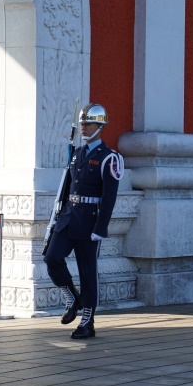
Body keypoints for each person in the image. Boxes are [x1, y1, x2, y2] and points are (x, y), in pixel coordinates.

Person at [43, 103, 123, 339]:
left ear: (100, 126)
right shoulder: (77, 154)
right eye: (82, 124)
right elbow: (67, 189)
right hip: (69, 217)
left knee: (88, 271)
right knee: (52, 257)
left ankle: (87, 319)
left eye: (88, 124)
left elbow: (109, 197)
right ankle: (72, 296)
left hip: (90, 221)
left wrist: (101, 227)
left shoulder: (109, 158)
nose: (84, 128)